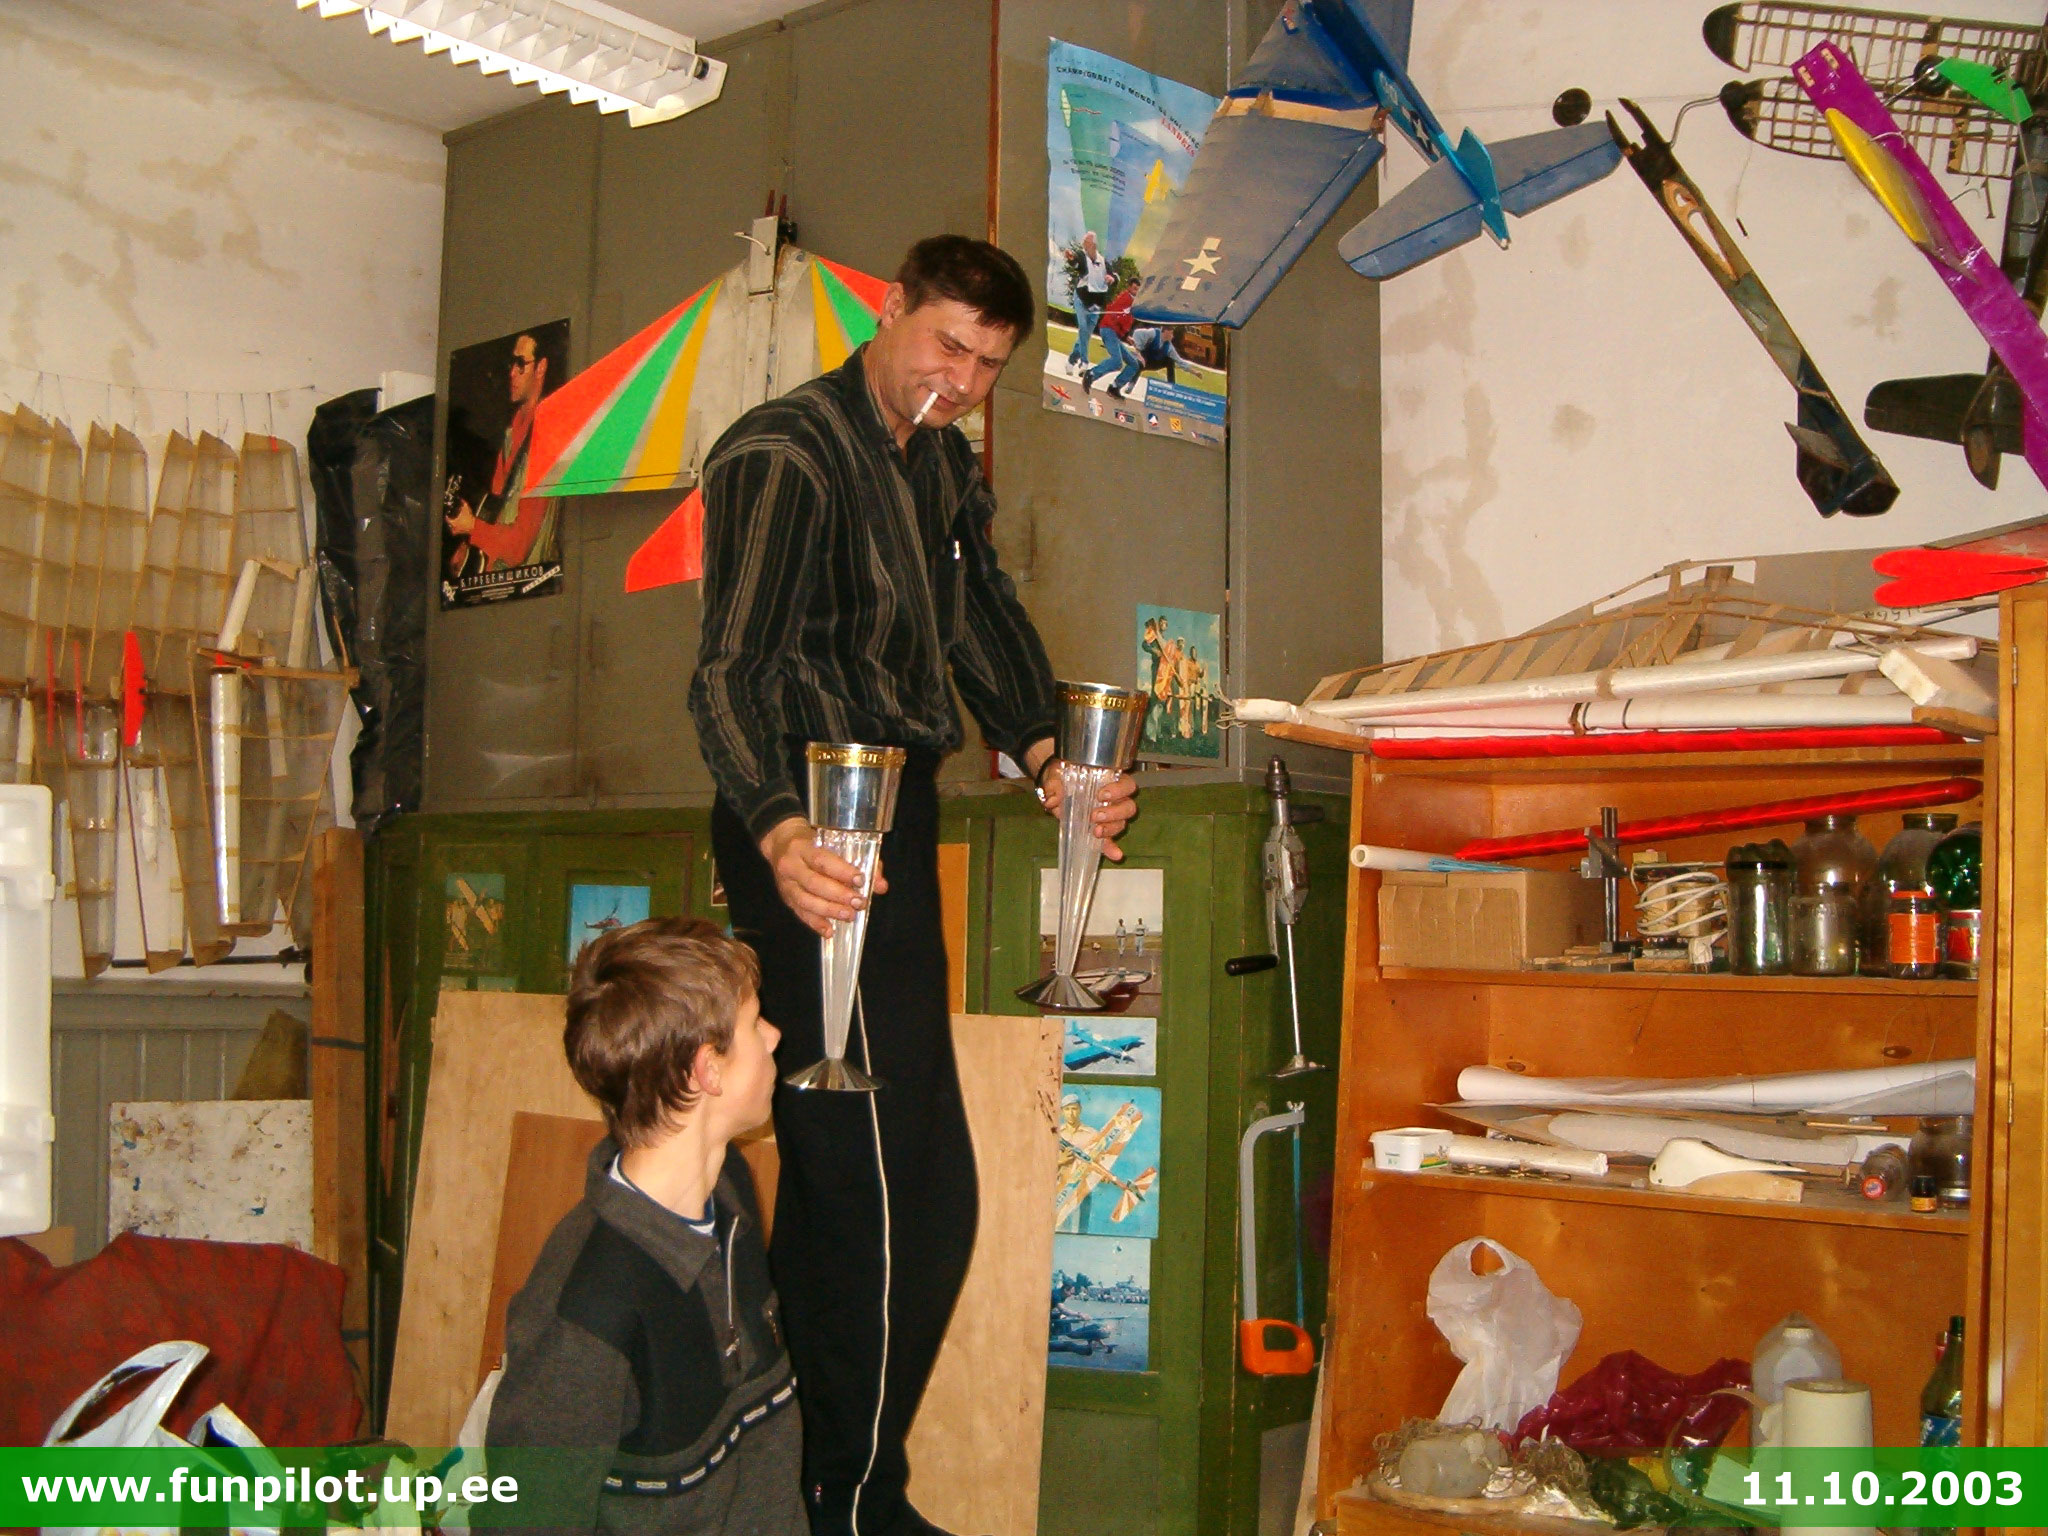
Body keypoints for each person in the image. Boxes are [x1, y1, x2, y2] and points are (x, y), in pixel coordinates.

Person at [688, 235, 1138, 1536]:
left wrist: (1052, 758)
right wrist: (777, 833)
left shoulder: (938, 462)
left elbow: (980, 620)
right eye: (947, 345)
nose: (961, 382)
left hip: (892, 817)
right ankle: (846, 1502)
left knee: (885, 1189)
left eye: (989, 365)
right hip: (802, 823)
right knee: (887, 1192)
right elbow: (726, 673)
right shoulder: (782, 453)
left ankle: (812, 1489)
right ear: (887, 310)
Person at [487, 916, 805, 1536]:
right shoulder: (586, 1310)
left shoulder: (729, 1193)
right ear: (707, 1070)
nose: (774, 1035)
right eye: (753, 1023)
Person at [446, 329, 562, 575]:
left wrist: (472, 527)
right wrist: (467, 546)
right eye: (512, 363)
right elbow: (496, 513)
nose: (512, 373)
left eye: (521, 364)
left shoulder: (546, 437)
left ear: (541, 368)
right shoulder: (512, 433)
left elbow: (519, 547)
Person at [1065, 230, 1113, 375]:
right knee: (1083, 328)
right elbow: (1076, 264)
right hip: (1081, 298)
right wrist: (1071, 259)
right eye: (1084, 242)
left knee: (1085, 335)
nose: (1084, 245)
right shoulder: (1082, 256)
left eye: (1087, 242)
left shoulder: (1103, 262)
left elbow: (1113, 275)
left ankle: (1071, 360)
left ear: (1093, 245)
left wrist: (1111, 278)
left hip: (1096, 304)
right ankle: (1084, 362)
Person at [1107, 324, 1194, 398]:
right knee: (1138, 363)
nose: (1173, 336)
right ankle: (1131, 384)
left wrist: (1194, 372)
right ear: (1166, 332)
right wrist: (1138, 349)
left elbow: (1179, 360)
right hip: (1144, 359)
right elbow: (1137, 332)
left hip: (1154, 363)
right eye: (1171, 333)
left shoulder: (1169, 346)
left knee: (1170, 361)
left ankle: (1171, 387)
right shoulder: (1153, 333)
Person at [1080, 288, 1136, 394]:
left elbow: (1121, 319)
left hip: (1113, 332)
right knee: (1116, 361)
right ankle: (1091, 374)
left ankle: (1114, 387)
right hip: (1108, 330)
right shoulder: (1126, 299)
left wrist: (1126, 337)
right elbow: (1118, 318)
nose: (1137, 291)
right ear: (1130, 288)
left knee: (1133, 364)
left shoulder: (1130, 301)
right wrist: (1125, 334)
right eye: (1135, 288)